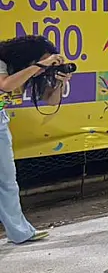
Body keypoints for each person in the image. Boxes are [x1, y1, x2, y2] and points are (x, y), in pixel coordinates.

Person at [0, 36, 69, 244]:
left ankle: (20, 232)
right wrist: (43, 64)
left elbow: (51, 101)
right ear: (28, 57)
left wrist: (58, 82)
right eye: (41, 61)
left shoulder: (30, 71)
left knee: (8, 181)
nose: (43, 68)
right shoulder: (3, 63)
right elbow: (5, 85)